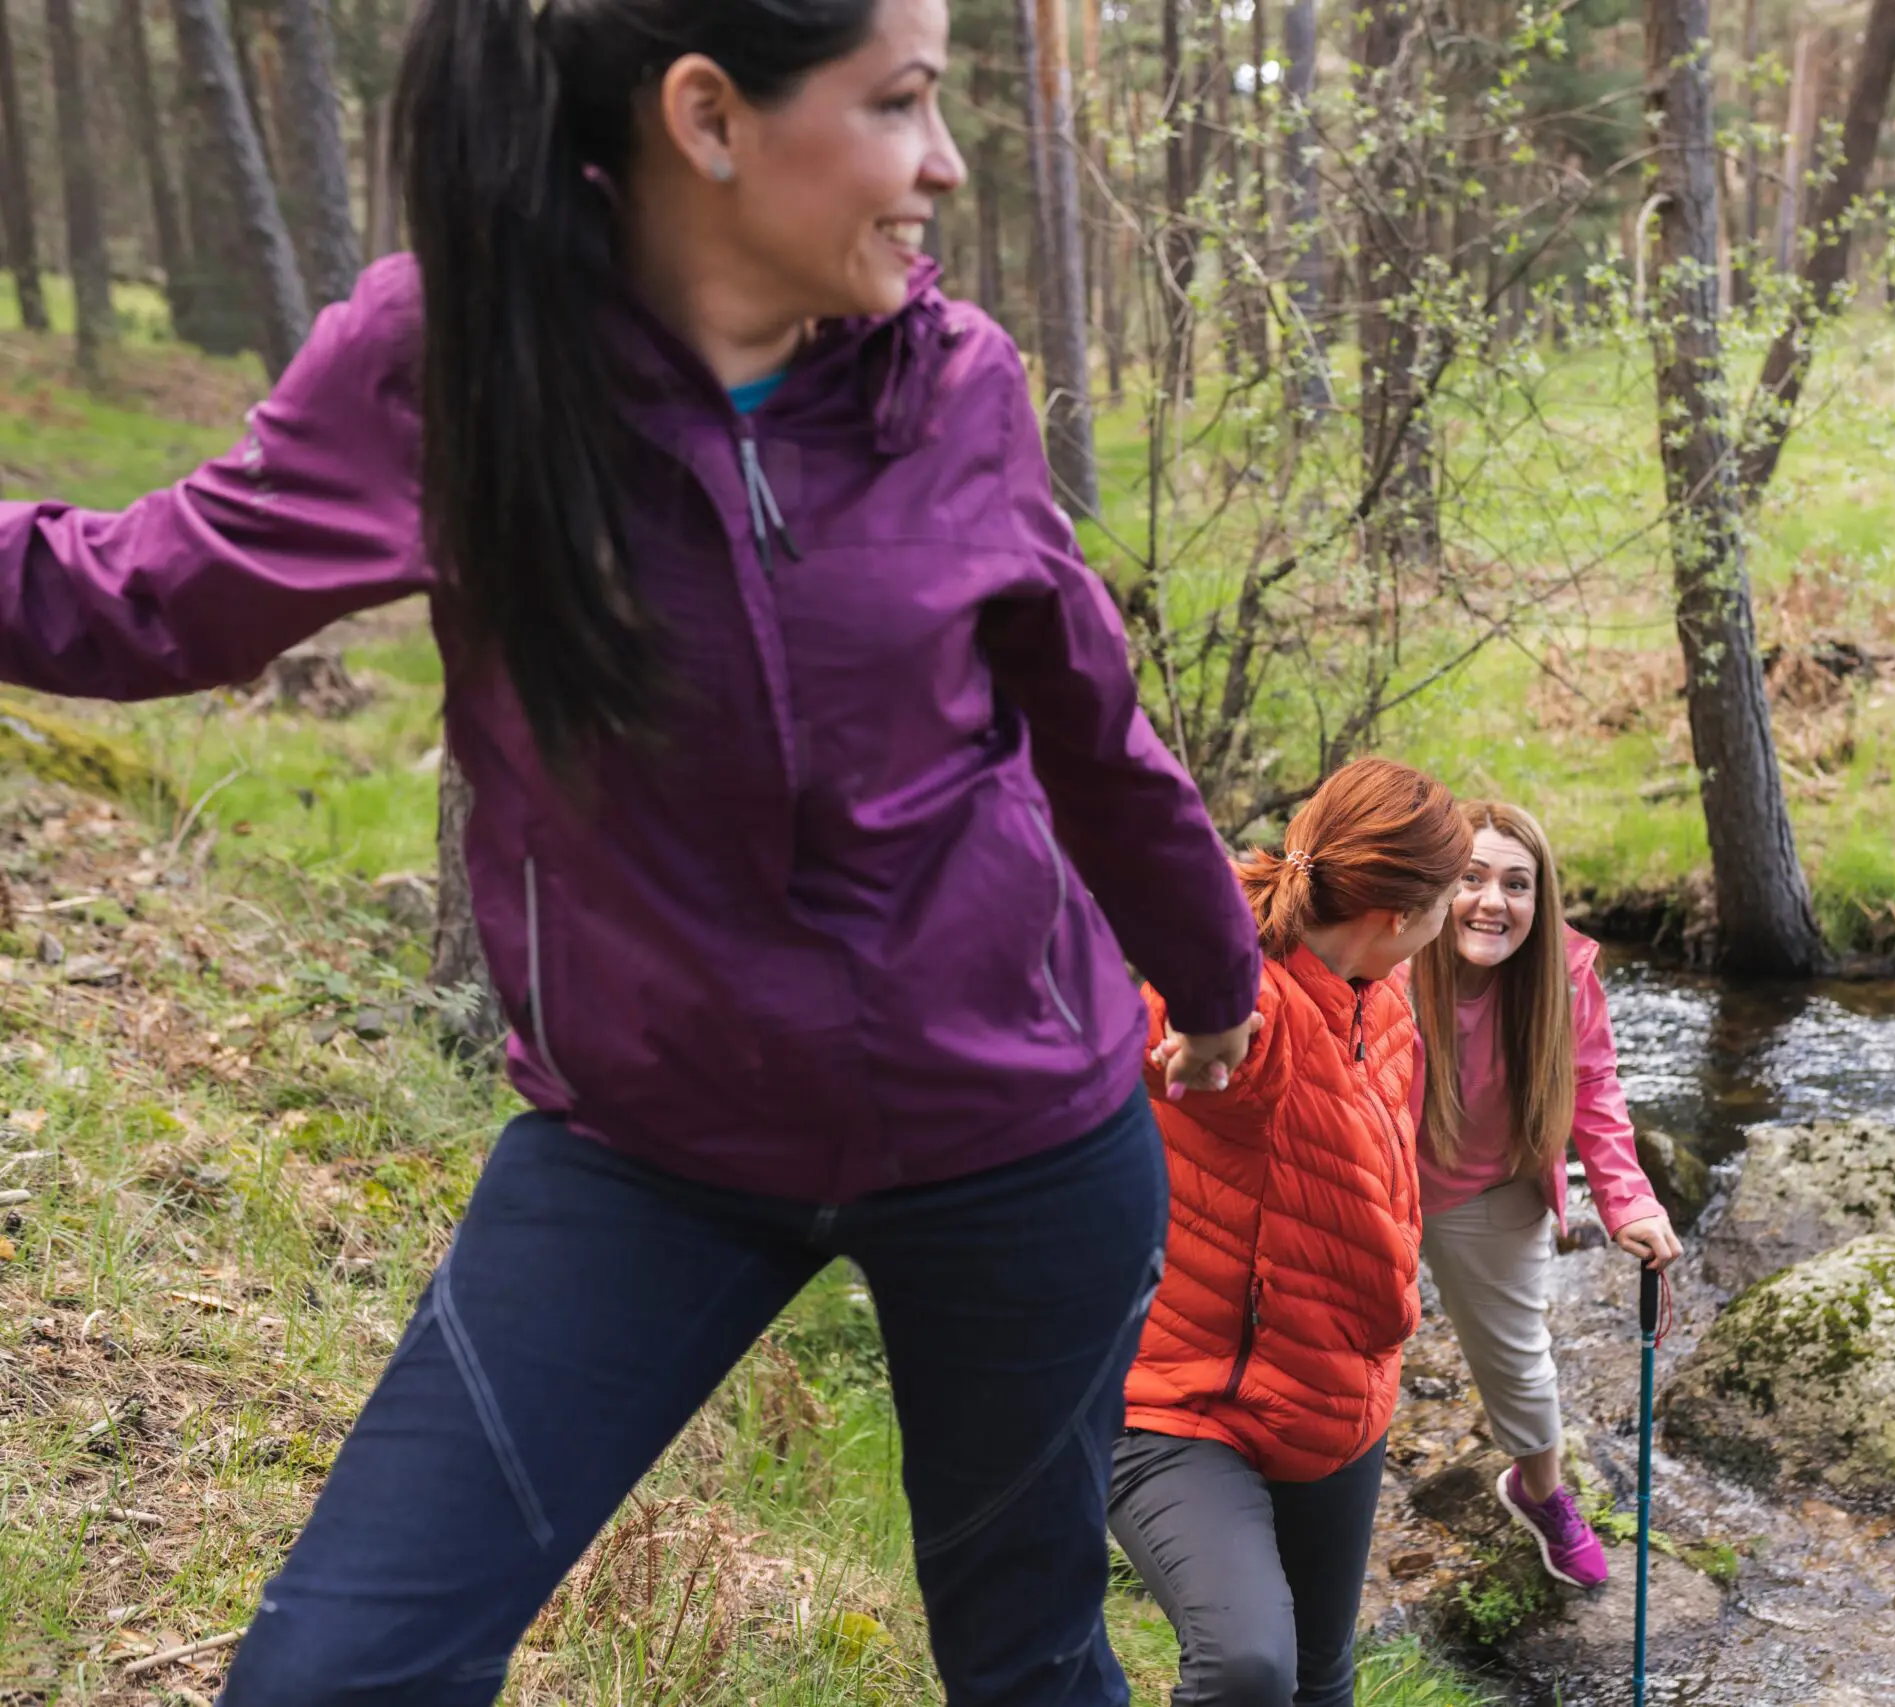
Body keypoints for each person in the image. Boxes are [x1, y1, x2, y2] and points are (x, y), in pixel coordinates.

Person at [0, 2, 1266, 1701]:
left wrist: (1219, 969)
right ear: (709, 117)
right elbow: (142, 596)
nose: (946, 163)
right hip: (651, 1145)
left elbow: (1090, 727)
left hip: (1022, 1135)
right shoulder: (443, 362)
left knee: (1029, 1662)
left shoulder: (955, 379)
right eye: (899, 104)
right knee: (334, 1677)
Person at [1109, 757, 1471, 1707]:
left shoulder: (1382, 994)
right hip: (1187, 1404)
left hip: (1337, 1396)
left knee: (1320, 1679)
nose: (1458, 917)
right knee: (1246, 1670)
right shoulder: (1252, 988)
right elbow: (1227, 1030)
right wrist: (1205, 1029)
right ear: (1399, 914)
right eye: (1452, 895)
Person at [1407, 799, 1682, 1590]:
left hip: (1489, 1188)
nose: (1494, 900)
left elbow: (1594, 1087)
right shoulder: (1388, 958)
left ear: (1540, 899)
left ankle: (1538, 1491)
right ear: (1436, 887)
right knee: (1350, 1354)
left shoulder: (1563, 976)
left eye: (1517, 884)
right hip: (1377, 1184)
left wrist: (1627, 1200)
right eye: (1471, 878)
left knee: (1522, 1368)